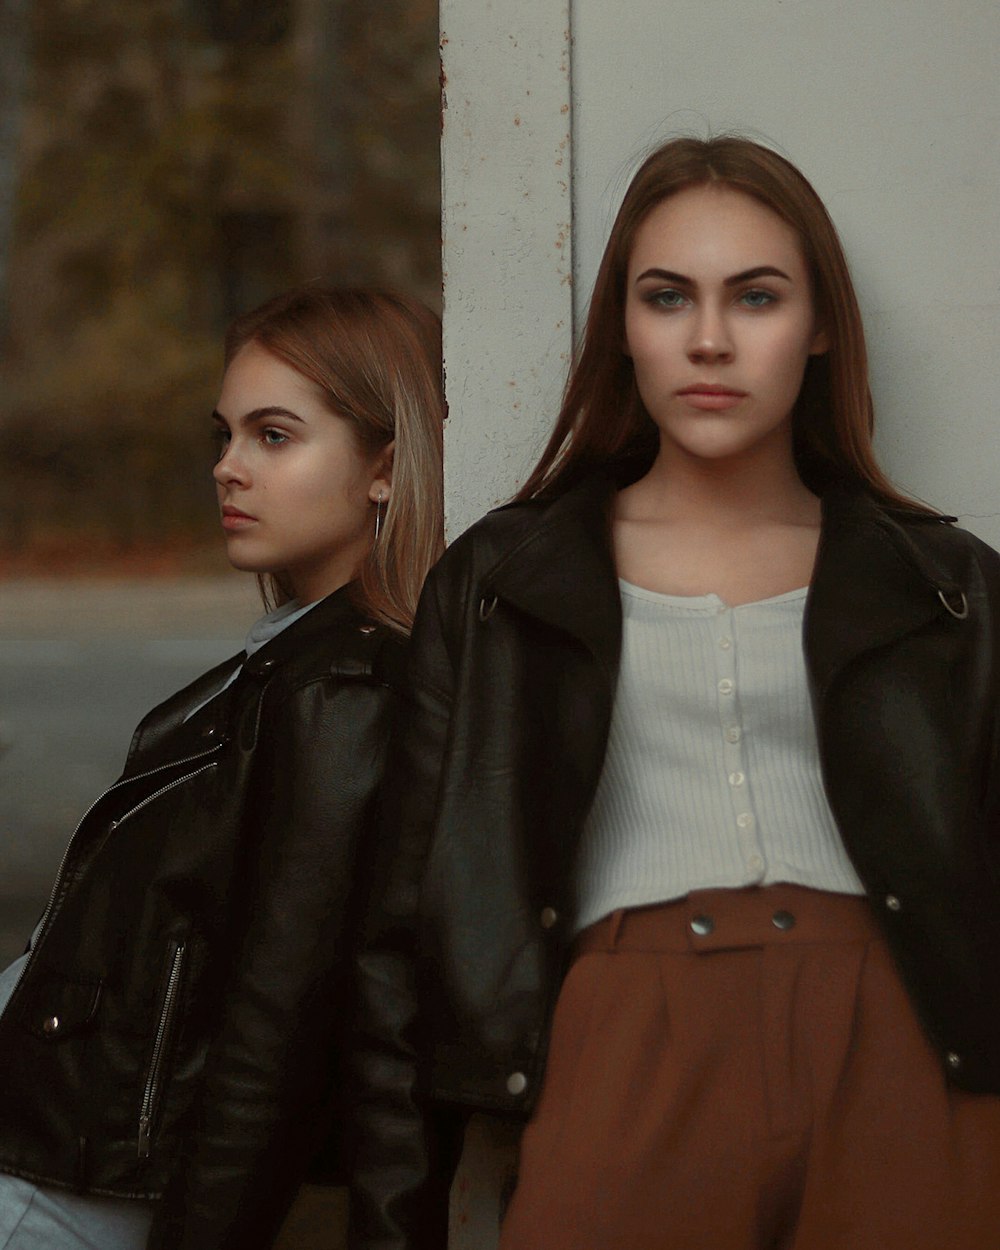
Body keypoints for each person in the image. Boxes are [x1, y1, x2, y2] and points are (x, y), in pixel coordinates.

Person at [348, 136, 1000, 1250]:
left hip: (907, 1043)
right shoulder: (504, 580)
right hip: (618, 1039)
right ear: (624, 328)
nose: (708, 338)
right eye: (666, 296)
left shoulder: (948, 586)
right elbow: (400, 924)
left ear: (820, 324)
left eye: (755, 295)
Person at [0, 285, 444, 1250]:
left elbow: (274, 1033)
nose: (226, 468)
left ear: (385, 465)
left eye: (274, 437)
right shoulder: (287, 662)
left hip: (59, 1188)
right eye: (227, 434)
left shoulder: (348, 692)